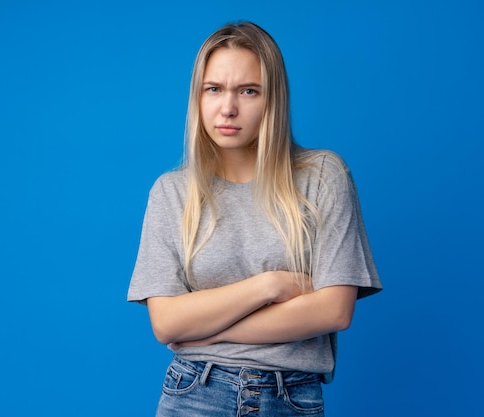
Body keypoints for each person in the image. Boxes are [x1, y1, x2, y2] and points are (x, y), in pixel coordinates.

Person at [127, 21, 382, 417]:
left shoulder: (323, 176)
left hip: (291, 396)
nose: (228, 107)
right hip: (194, 391)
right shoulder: (171, 192)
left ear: (273, 99)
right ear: (198, 97)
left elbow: (334, 310)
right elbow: (166, 323)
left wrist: (208, 331)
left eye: (248, 91)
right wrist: (270, 285)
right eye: (214, 89)